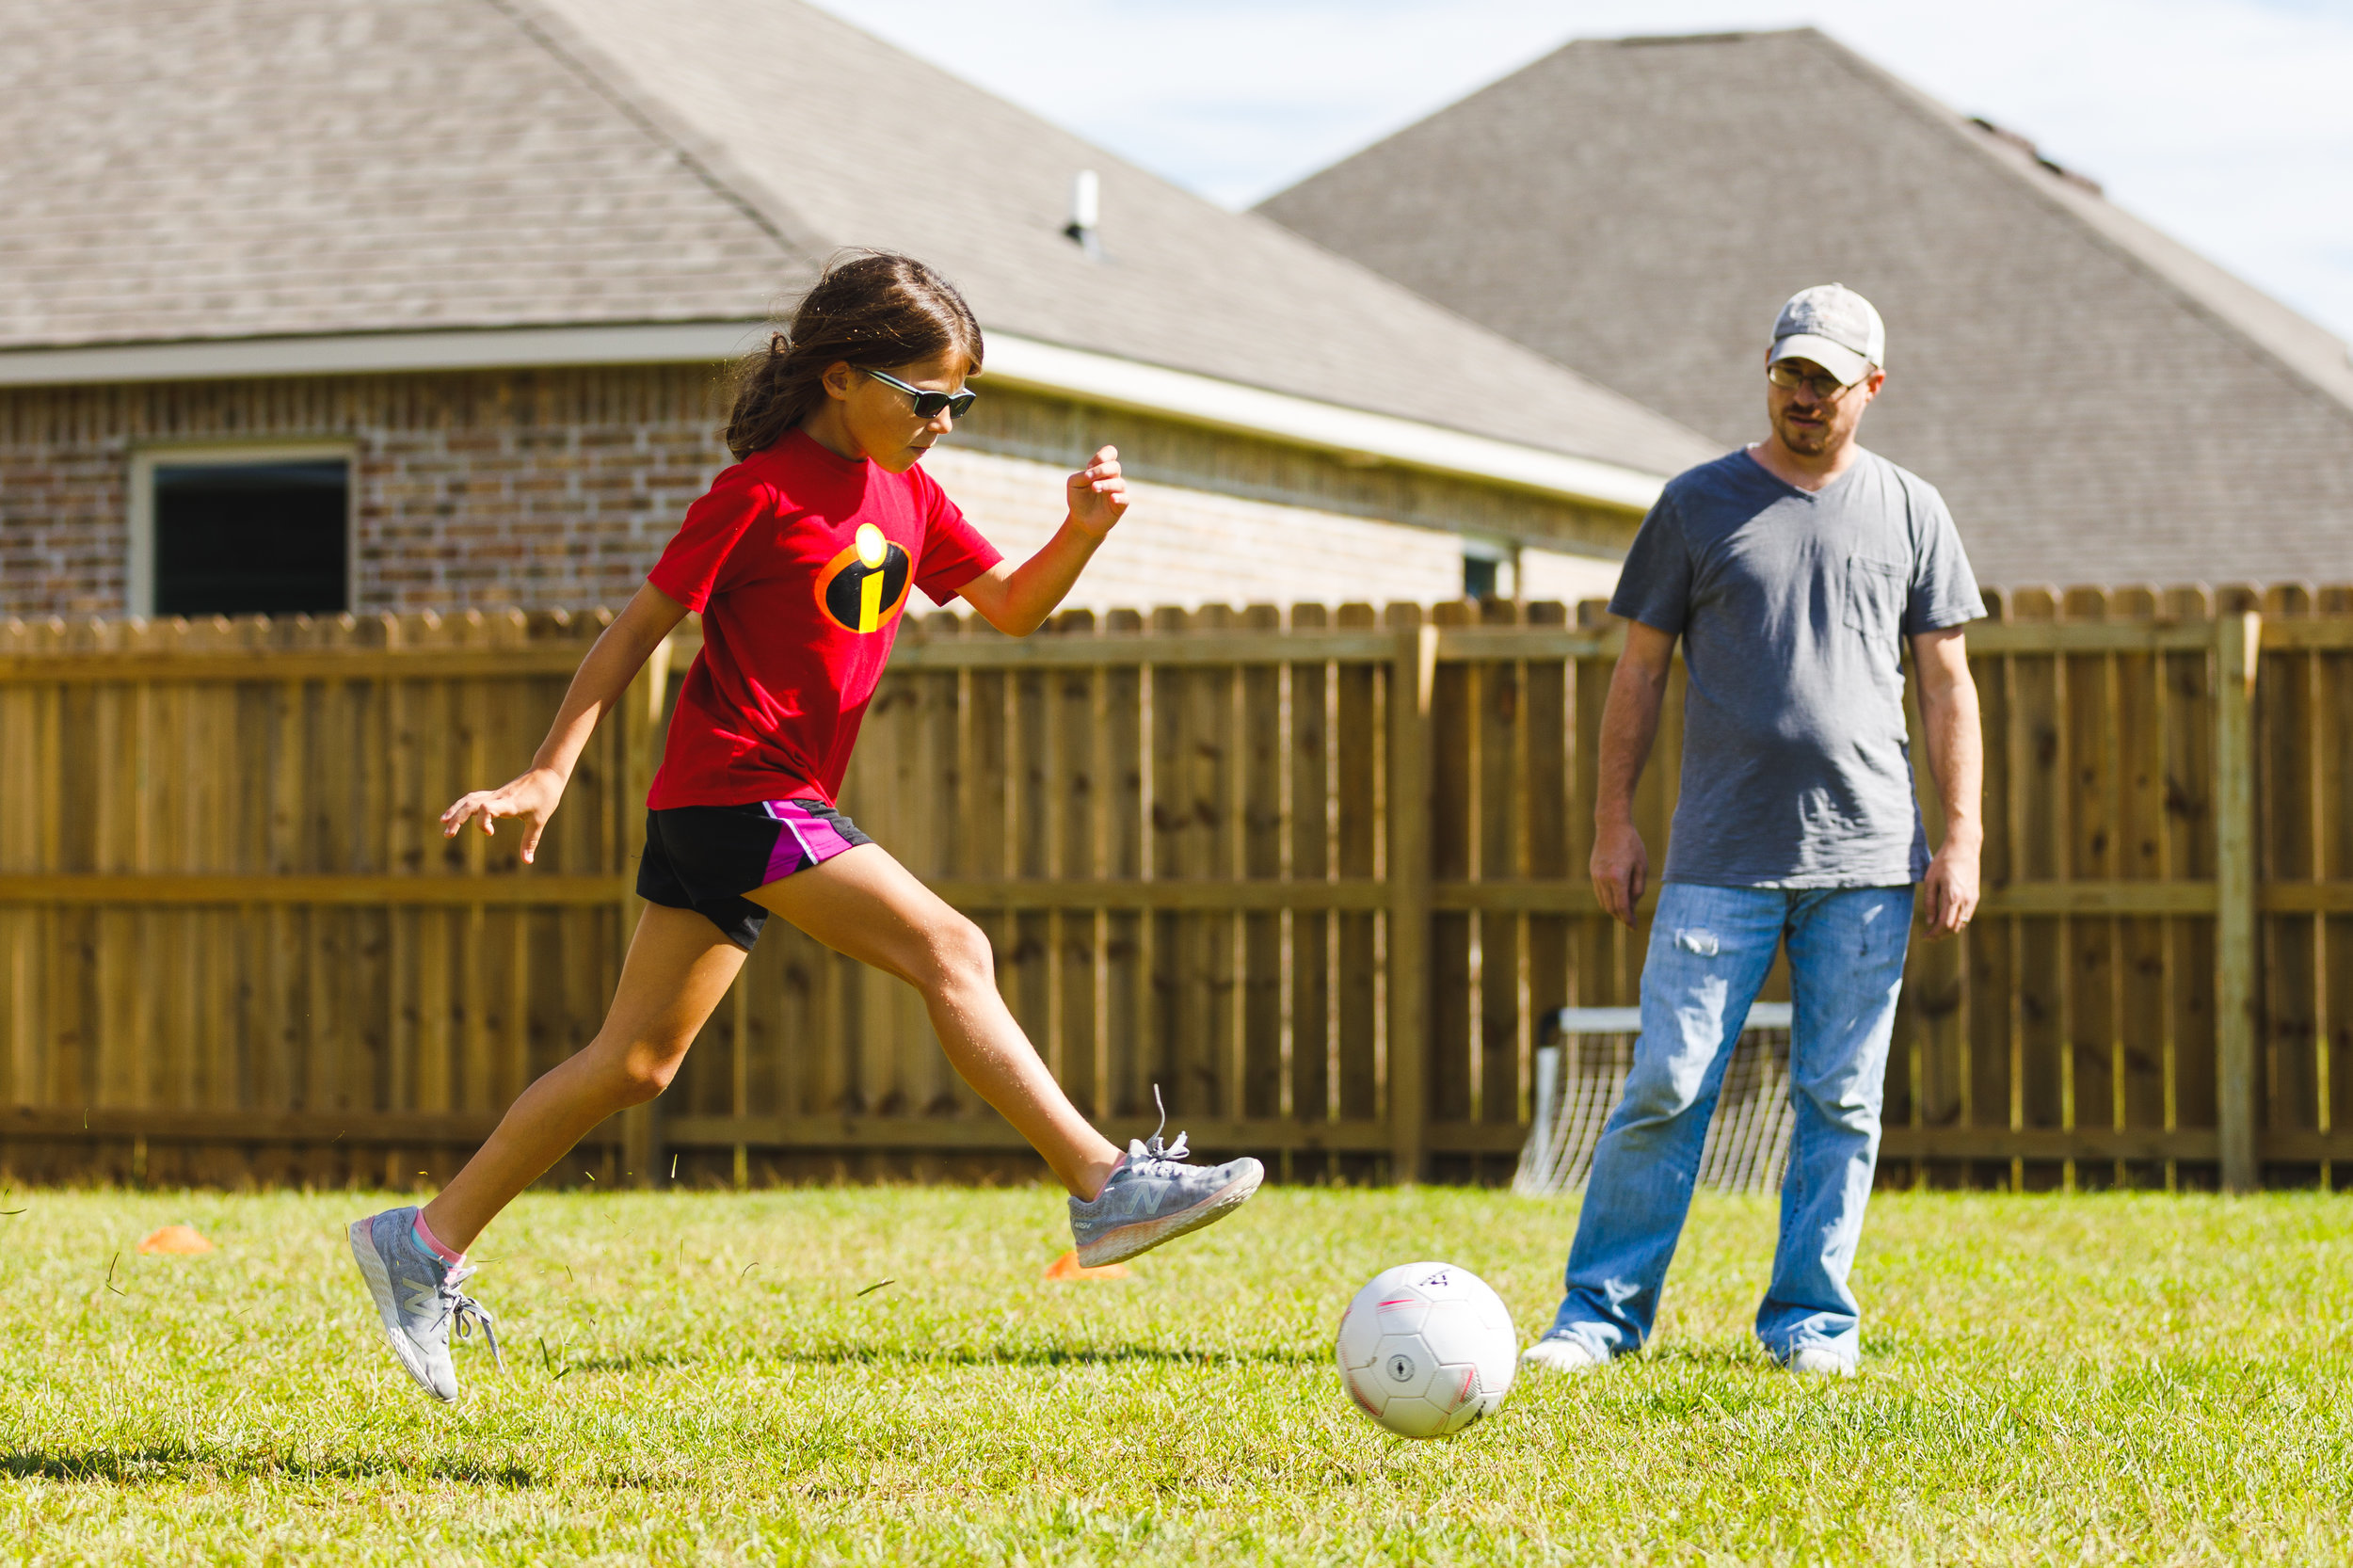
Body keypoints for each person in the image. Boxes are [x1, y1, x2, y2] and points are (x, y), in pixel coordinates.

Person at [346, 252, 1262, 1403]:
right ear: (842, 378)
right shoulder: (758, 494)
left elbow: (1015, 610)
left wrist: (1080, 531)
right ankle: (1101, 1181)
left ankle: (419, 1244)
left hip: (735, 802)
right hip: (742, 790)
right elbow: (633, 632)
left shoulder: (910, 495)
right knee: (953, 949)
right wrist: (545, 773)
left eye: (958, 404)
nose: (941, 422)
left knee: (633, 1061)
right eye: (923, 397)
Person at [1521, 284, 1984, 1379]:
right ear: (1767, 372)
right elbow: (1636, 673)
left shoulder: (1913, 510)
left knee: (1841, 1095)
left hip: (1867, 859)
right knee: (1668, 1085)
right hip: (1717, 859)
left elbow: (1947, 685)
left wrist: (1958, 839)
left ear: (1871, 387)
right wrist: (1611, 826)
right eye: (1790, 374)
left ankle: (1810, 1322)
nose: (1805, 398)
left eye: (1828, 381)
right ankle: (1598, 1318)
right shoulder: (1695, 505)